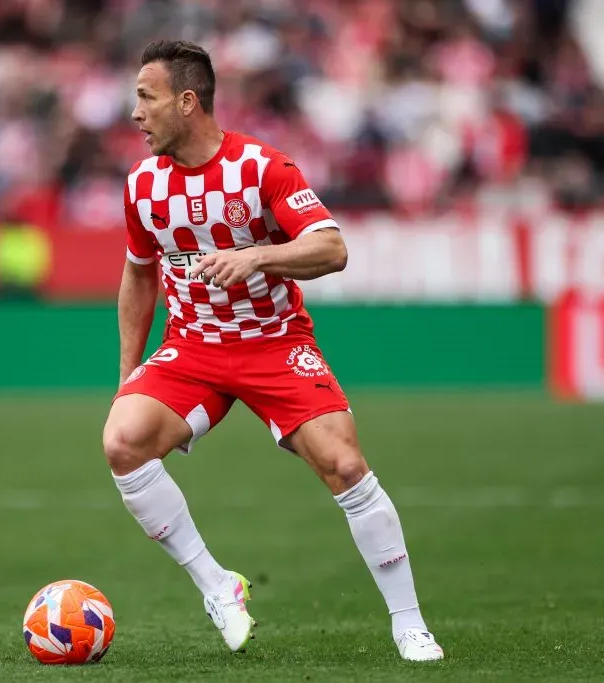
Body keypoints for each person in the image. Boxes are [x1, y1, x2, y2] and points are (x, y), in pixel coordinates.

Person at [103, 40, 444, 662]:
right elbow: (138, 275)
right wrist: (129, 377)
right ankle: (217, 585)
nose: (136, 113)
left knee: (343, 466)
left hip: (273, 343)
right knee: (121, 441)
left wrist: (257, 253)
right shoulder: (142, 185)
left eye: (146, 98)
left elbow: (332, 248)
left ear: (187, 101)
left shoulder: (262, 169)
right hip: (194, 348)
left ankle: (409, 622)